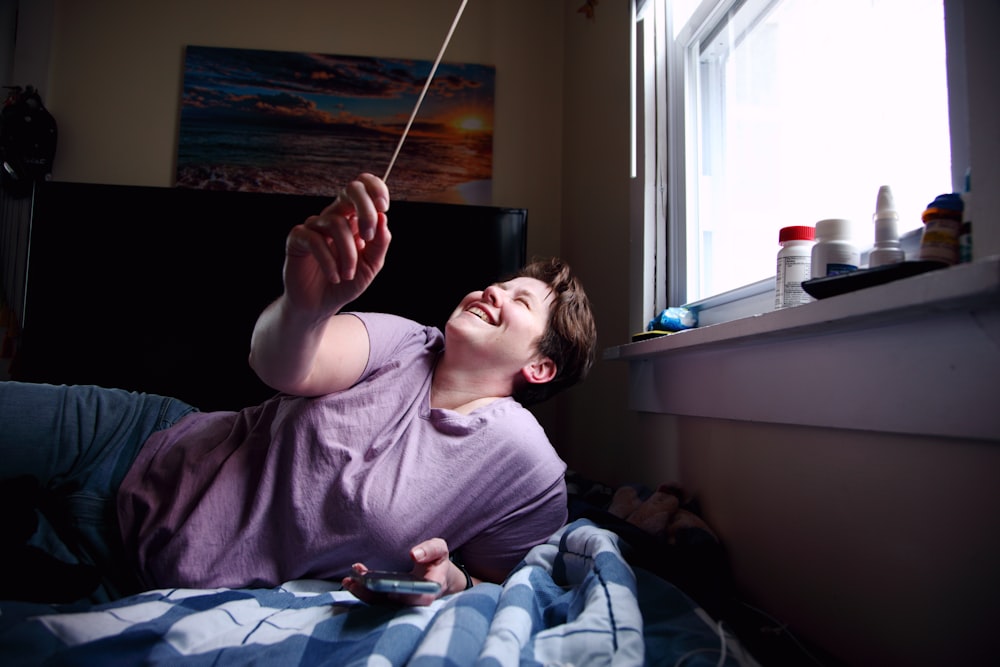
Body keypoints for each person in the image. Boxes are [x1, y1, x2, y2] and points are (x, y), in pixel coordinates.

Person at [0, 173, 598, 606]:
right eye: (498, 283)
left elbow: (512, 584)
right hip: (131, 439)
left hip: (132, 566)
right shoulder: (402, 342)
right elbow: (279, 363)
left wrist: (453, 581)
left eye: (520, 301)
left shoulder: (525, 466)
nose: (493, 291)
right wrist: (308, 306)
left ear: (540, 368)